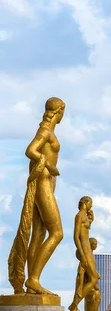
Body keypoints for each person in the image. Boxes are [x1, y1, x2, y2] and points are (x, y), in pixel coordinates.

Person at [8, 97, 66, 295]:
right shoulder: (45, 131)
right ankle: (33, 279)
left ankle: (33, 283)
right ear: (59, 111)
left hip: (46, 184)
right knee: (57, 233)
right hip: (43, 184)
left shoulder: (48, 131)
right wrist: (49, 165)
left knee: (39, 234)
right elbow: (30, 151)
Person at [69, 197, 100, 311]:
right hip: (85, 252)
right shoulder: (79, 216)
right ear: (85, 203)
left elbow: (85, 231)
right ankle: (74, 305)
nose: (91, 205)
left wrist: (90, 219)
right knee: (93, 280)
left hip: (88, 251)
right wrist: (82, 255)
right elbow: (76, 236)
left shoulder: (84, 217)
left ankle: (74, 304)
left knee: (92, 279)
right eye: (90, 203)